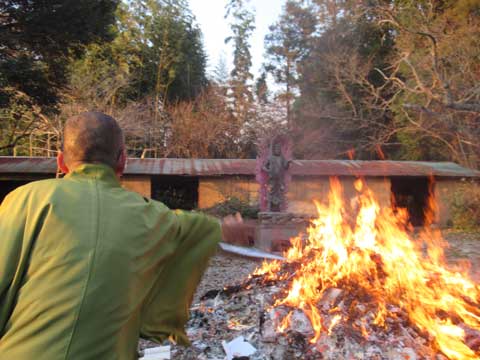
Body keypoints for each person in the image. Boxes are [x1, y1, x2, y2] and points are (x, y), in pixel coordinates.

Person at [0, 112, 238, 359]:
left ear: (60, 162)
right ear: (122, 161)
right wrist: (227, 228)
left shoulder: (24, 200)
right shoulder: (152, 216)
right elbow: (195, 228)